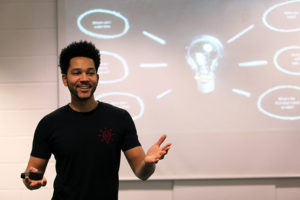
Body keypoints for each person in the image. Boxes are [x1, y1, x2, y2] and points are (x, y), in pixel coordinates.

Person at [22, 40, 171, 200]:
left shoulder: (120, 118)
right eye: (77, 73)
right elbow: (32, 174)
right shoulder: (49, 124)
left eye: (90, 72)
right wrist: (30, 180)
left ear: (97, 78)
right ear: (65, 79)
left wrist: (148, 163)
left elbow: (142, 172)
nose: (84, 78)